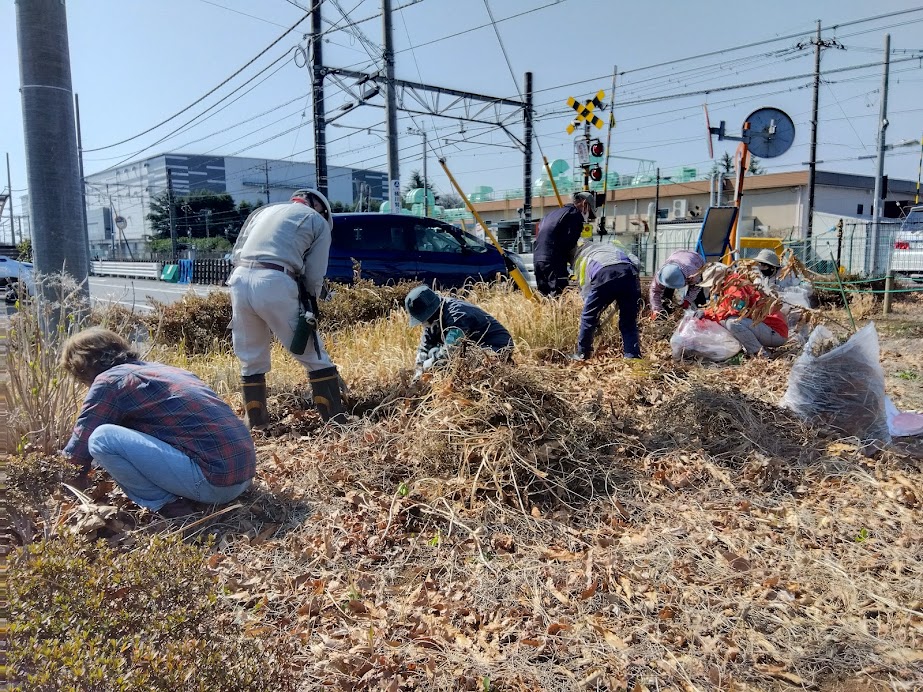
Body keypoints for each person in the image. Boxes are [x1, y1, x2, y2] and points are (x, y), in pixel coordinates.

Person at [59, 328, 256, 518]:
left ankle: (170, 507)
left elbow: (76, 455)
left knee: (102, 439)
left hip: (215, 485)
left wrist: (60, 486)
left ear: (82, 369)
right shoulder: (162, 370)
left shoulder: (109, 381)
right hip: (244, 475)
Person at [228, 188, 345, 426]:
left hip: (238, 280)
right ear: (320, 208)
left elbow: (237, 251)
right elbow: (314, 274)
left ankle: (257, 424)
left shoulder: (263, 212)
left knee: (252, 357)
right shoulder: (317, 221)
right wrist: (310, 301)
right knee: (313, 354)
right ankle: (336, 422)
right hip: (275, 281)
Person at [404, 285, 513, 375]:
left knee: (469, 364)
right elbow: (424, 348)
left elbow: (450, 352)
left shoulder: (457, 316)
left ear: (431, 314)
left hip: (496, 345)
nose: (423, 324)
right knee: (433, 352)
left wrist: (427, 366)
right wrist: (418, 370)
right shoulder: (433, 320)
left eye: (424, 319)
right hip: (473, 345)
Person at [570, 239, 642, 360]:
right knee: (628, 321)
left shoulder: (581, 260)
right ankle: (632, 356)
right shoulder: (612, 246)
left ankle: (583, 354)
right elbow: (636, 262)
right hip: (629, 274)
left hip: (603, 275)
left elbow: (586, 292)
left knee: (587, 318)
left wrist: (594, 320)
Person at [698, 264, 789, 357]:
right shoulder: (729, 286)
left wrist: (708, 314)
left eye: (711, 286)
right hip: (767, 329)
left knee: (732, 322)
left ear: (719, 281)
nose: (711, 289)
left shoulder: (735, 286)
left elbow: (737, 309)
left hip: (775, 332)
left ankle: (760, 354)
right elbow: (724, 308)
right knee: (725, 321)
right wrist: (707, 313)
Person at [532, 191, 597, 297]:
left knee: (543, 297)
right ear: (584, 204)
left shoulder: (552, 214)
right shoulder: (574, 215)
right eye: (589, 212)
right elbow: (570, 245)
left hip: (538, 259)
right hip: (554, 261)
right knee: (558, 297)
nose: (588, 216)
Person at [649, 250, 706, 319]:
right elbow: (654, 291)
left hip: (696, 259)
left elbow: (696, 287)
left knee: (699, 296)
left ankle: (703, 314)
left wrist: (688, 300)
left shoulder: (693, 273)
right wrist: (656, 308)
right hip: (676, 257)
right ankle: (666, 314)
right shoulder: (661, 274)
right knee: (666, 295)